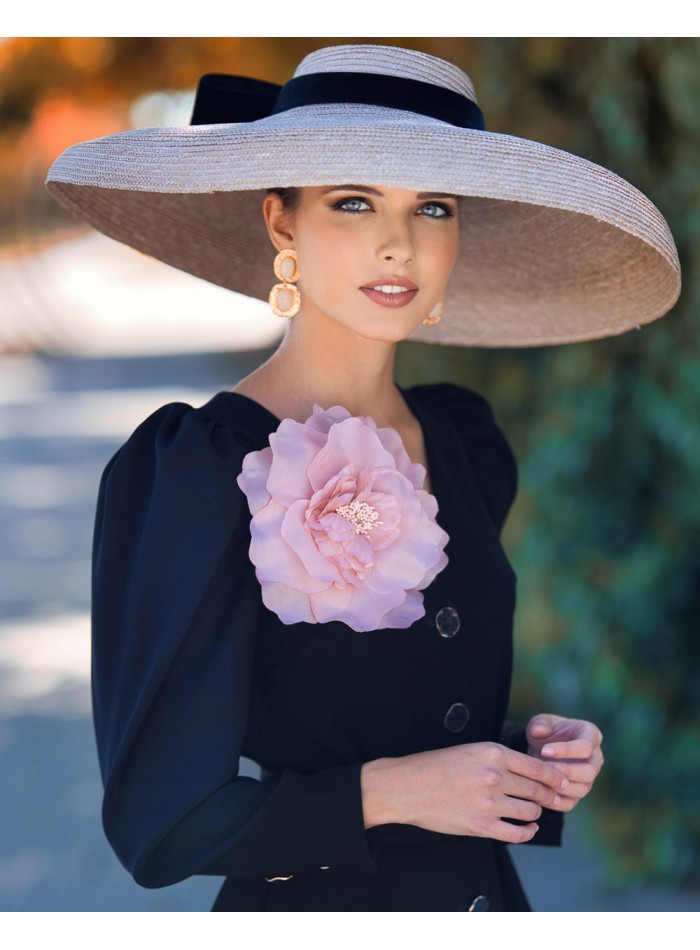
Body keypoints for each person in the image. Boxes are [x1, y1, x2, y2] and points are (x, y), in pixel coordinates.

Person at [46, 44, 679, 912]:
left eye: (433, 206)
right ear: (282, 223)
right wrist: (398, 792)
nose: (398, 243)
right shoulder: (196, 469)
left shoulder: (465, 443)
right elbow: (164, 823)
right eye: (354, 202)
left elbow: (402, 707)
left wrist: (519, 759)